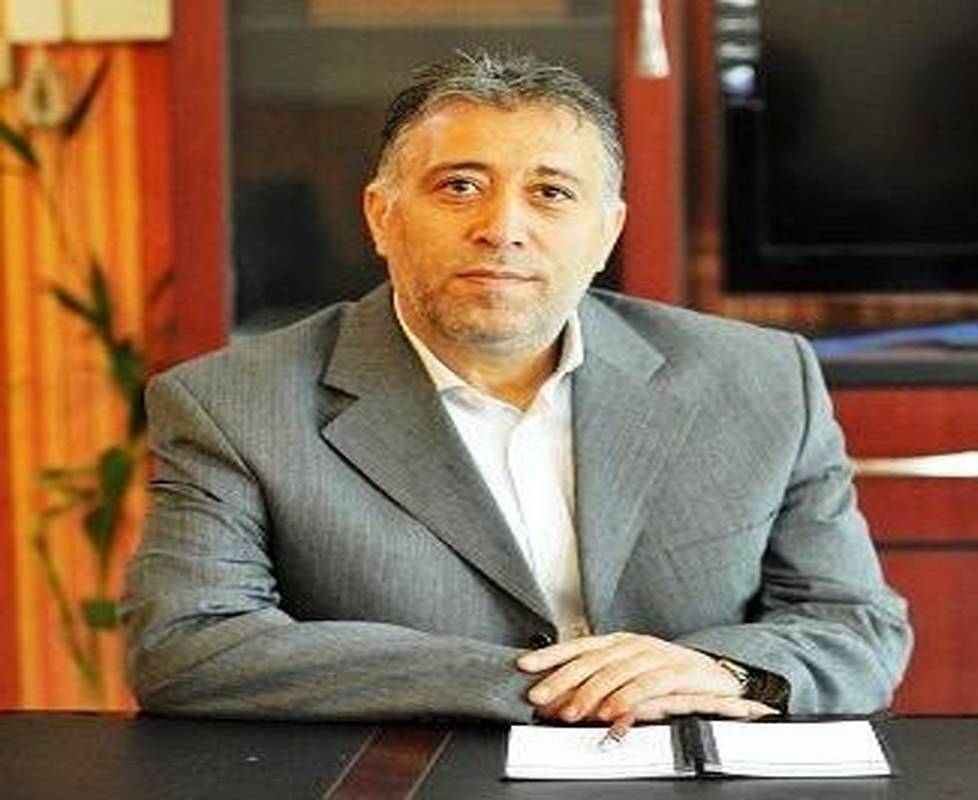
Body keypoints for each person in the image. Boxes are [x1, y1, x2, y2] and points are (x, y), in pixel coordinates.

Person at [122, 51, 912, 724]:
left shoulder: (761, 379)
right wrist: (543, 683)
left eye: (551, 192)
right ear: (381, 216)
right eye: (459, 186)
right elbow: (189, 645)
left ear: (606, 231)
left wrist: (720, 671)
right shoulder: (234, 404)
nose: (502, 228)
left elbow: (856, 627)